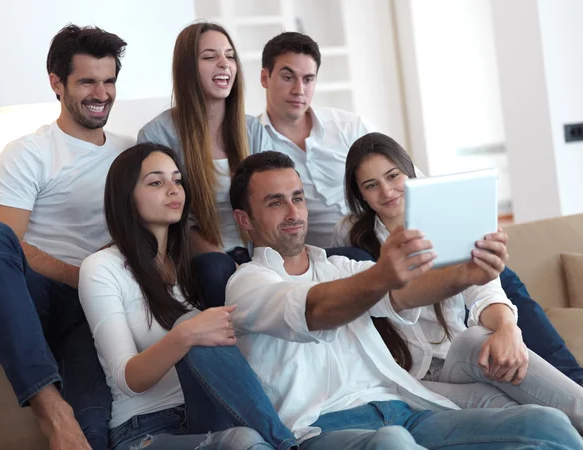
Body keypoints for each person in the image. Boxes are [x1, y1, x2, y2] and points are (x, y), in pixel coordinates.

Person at [258, 30, 583, 385]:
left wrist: (455, 221)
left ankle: (566, 373)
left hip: (392, 232)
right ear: (266, 78)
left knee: (496, 273)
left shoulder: (346, 126)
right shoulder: (253, 139)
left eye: (308, 79)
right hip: (345, 253)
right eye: (287, 77)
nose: (298, 89)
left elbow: (405, 177)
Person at [224, 151, 583, 450]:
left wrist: (467, 273)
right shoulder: (247, 284)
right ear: (245, 220)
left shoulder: (340, 266)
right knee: (392, 443)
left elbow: (401, 293)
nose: (293, 213)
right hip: (323, 428)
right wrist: (382, 274)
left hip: (406, 408)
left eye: (297, 198)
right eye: (276, 203)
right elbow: (314, 308)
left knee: (545, 422)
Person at [332, 131, 583, 431]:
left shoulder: (445, 217)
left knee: (476, 338)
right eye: (371, 185)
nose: (386, 191)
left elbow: (483, 285)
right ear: (360, 194)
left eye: (393, 176)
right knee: (521, 410)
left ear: (409, 171)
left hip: (459, 358)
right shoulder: (351, 238)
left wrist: (507, 328)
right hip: (411, 380)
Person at [0, 25, 130, 449]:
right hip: (41, 296)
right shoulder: (29, 152)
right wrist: (83, 277)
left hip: (101, 303)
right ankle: (51, 408)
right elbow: (4, 248)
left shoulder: (131, 152)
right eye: (87, 81)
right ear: (56, 83)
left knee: (93, 431)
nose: (101, 93)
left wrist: (103, 285)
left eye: (109, 81)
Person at [78, 143, 277, 450]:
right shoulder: (101, 268)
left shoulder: (190, 268)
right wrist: (187, 333)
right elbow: (127, 378)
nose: (173, 190)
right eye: (156, 182)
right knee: (245, 442)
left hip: (210, 414)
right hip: (145, 428)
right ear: (126, 197)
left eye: (177, 180)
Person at [138, 22, 272, 263]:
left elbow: (270, 202)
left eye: (230, 56)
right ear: (187, 69)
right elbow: (169, 219)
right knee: (215, 268)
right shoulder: (157, 134)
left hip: (256, 254)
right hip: (198, 260)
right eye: (210, 56)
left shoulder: (253, 129)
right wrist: (224, 261)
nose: (224, 63)